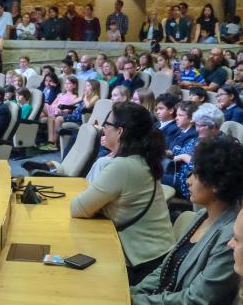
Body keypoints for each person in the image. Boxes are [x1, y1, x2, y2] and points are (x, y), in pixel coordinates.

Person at [131, 136, 243, 305]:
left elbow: (193, 301)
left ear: (216, 184)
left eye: (195, 174)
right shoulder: (200, 216)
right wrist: (134, 292)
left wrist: (135, 299)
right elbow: (164, 269)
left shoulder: (230, 236)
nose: (188, 181)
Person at [71, 102, 173, 282]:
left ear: (120, 131)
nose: (103, 129)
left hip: (143, 265)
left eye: (107, 124)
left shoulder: (123, 166)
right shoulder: (140, 159)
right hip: (155, 256)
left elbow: (78, 208)